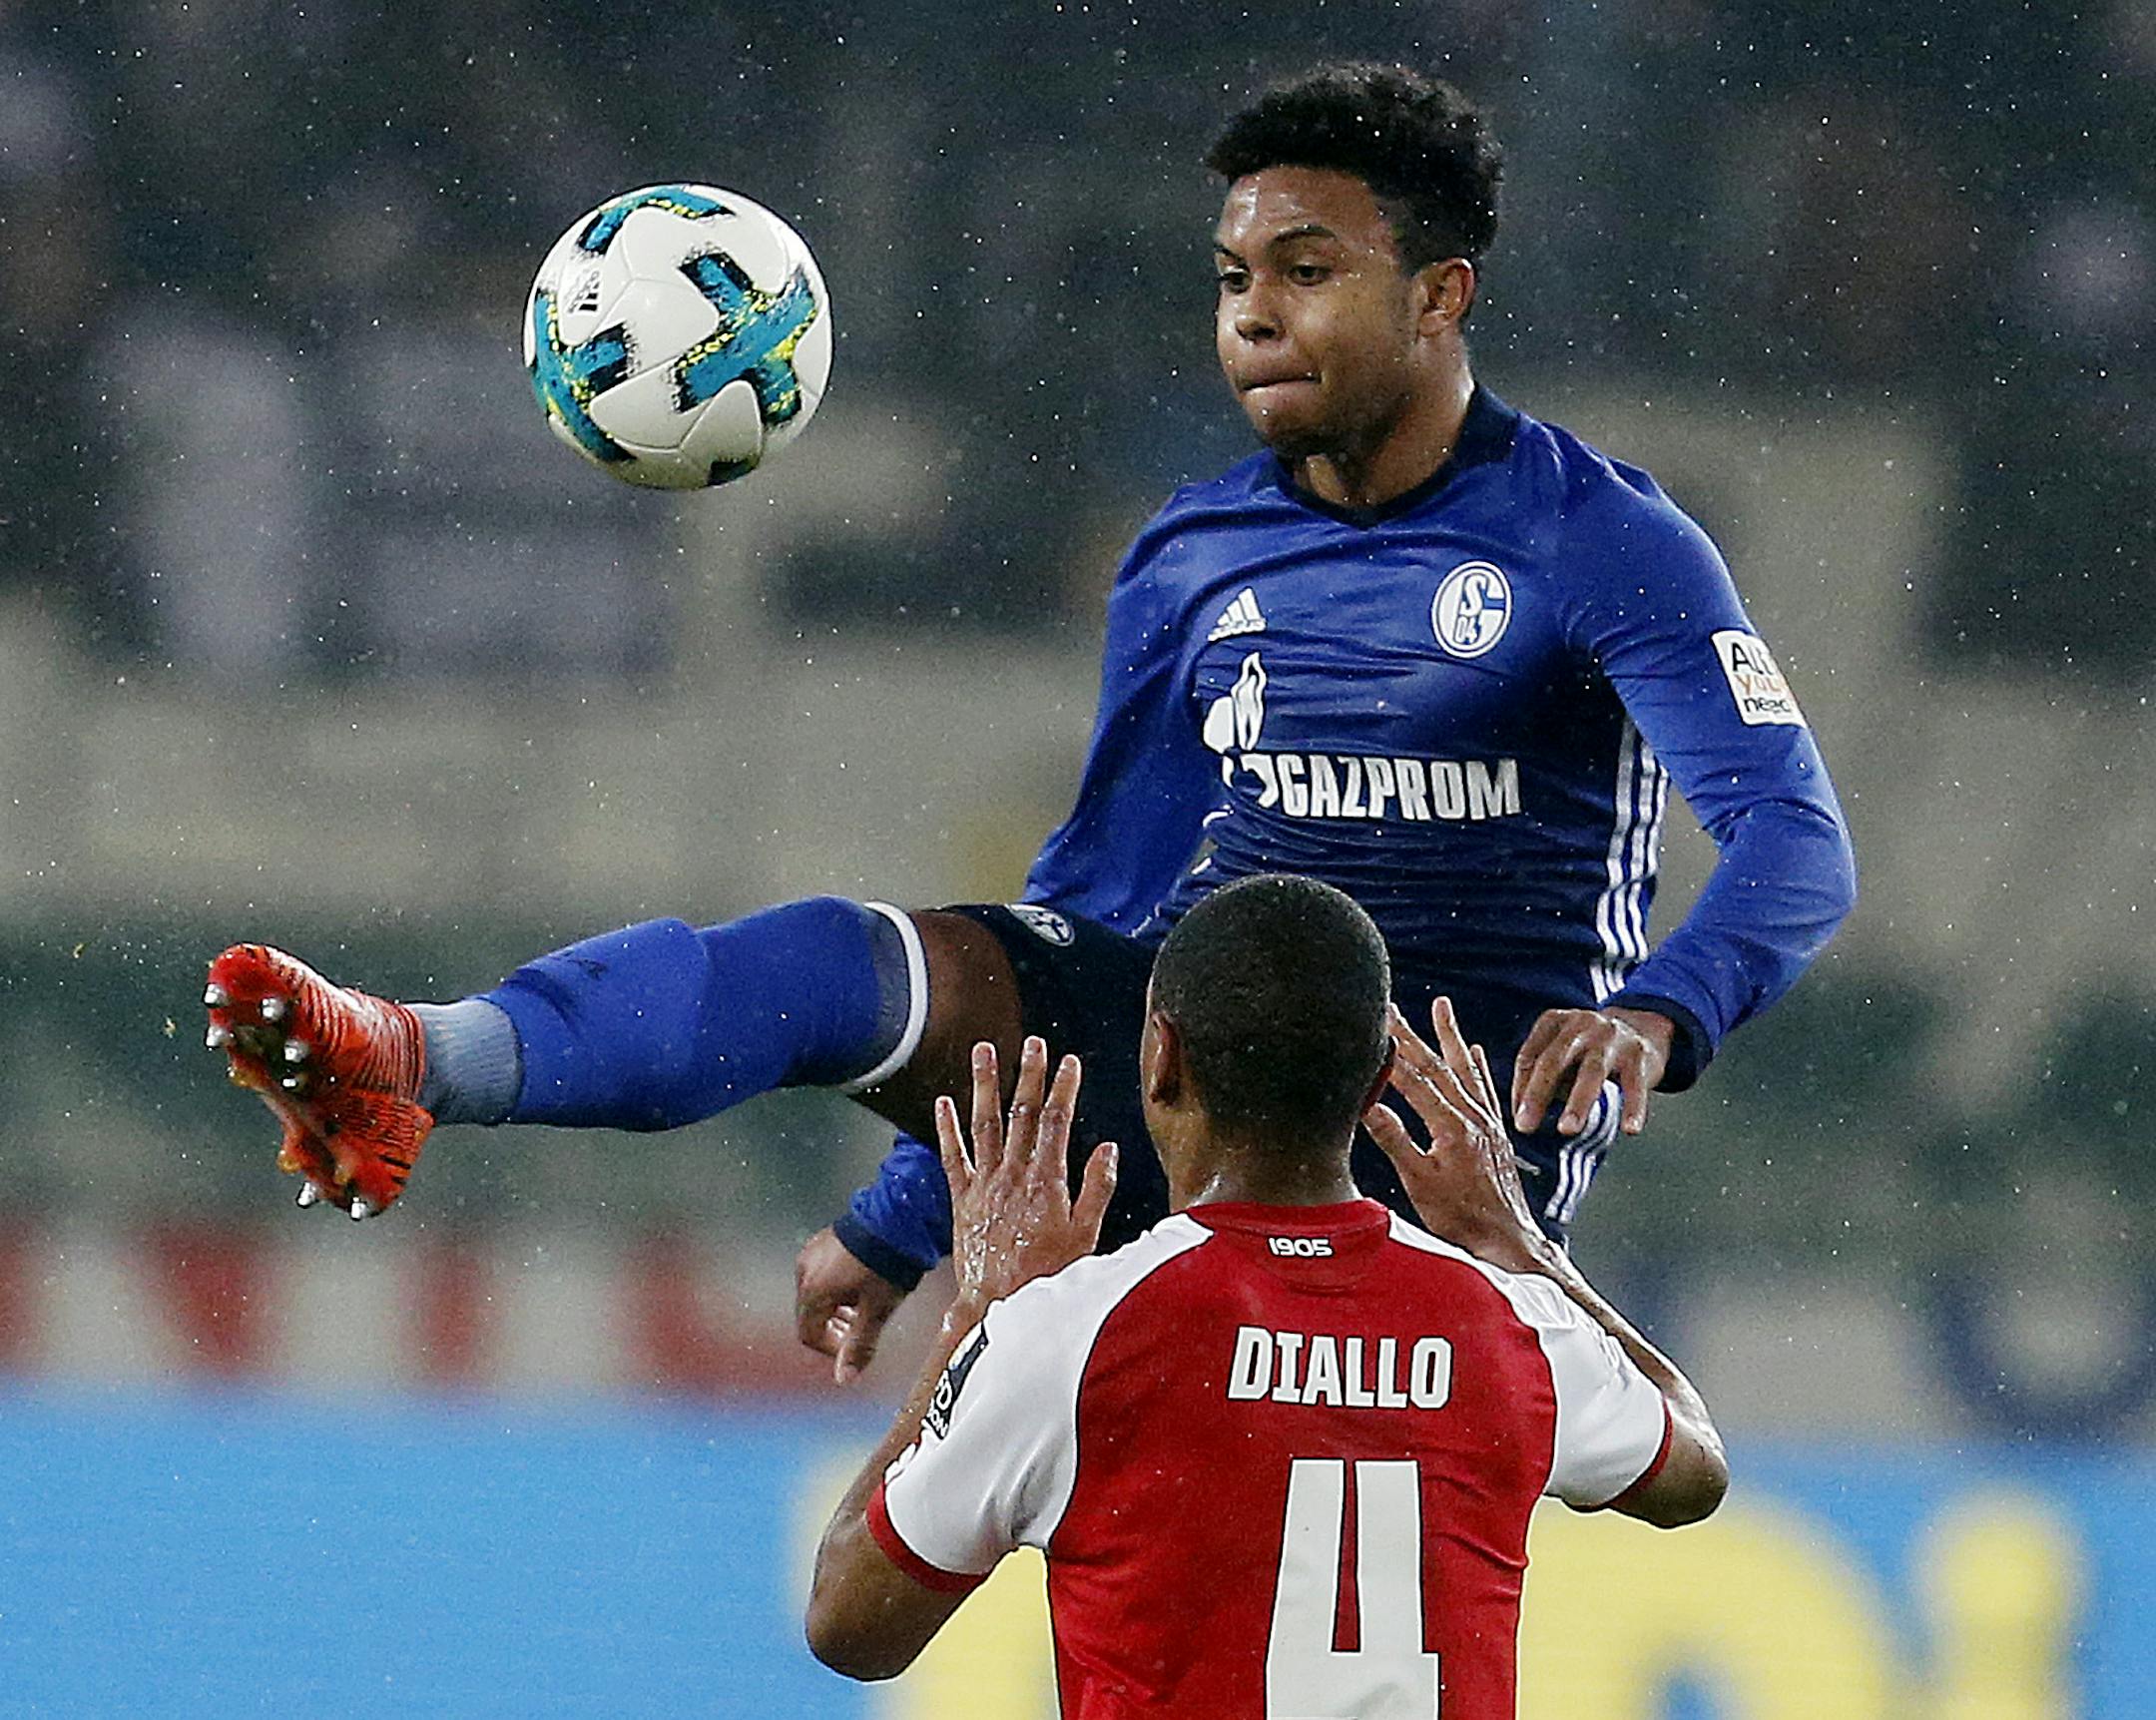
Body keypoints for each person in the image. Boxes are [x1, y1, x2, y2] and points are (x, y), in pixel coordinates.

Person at [204, 63, 1855, 1376]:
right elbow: (1096, 906)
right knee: (837, 964)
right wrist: (902, 1218)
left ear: (1440, 296)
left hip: (1438, 1151)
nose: (1253, 315)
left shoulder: (1604, 539)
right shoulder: (1196, 552)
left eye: (1307, 271)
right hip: (1199, 1081)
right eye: (1231, 278)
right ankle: (419, 1060)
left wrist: (1659, 1013)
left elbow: (1796, 840)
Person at [805, 874, 1726, 1716]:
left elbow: (849, 1623)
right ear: (1374, 1085)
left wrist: (977, 1315)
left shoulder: (1070, 1334)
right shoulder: (1507, 1323)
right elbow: (1694, 1466)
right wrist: (1516, 1241)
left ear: (1158, 1059)